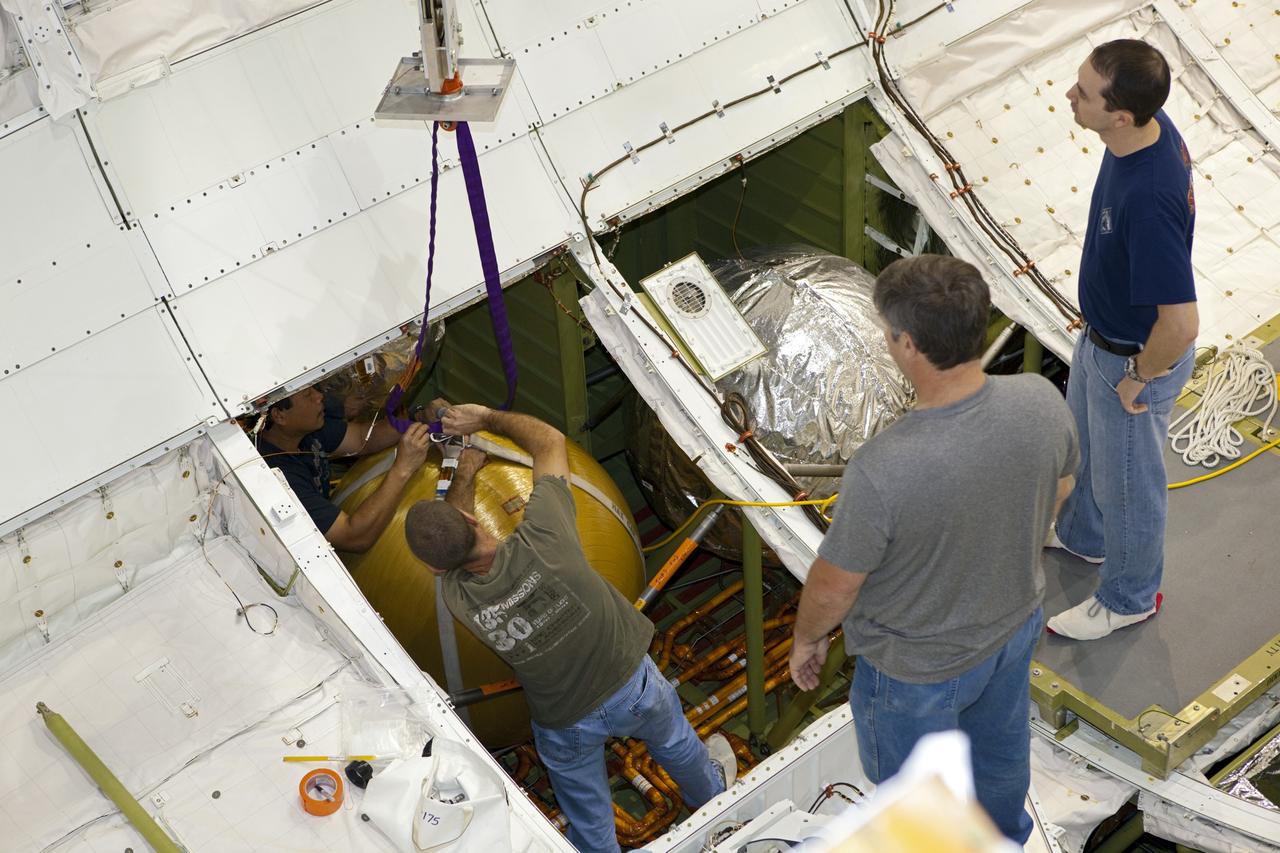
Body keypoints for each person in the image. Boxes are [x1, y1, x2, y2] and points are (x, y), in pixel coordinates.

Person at [788, 255, 1078, 844]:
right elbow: (1063, 487)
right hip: (1012, 629)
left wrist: (807, 638)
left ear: (909, 345)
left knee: (916, 808)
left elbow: (835, 584)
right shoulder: (1041, 399)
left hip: (915, 673)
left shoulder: (882, 468)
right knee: (999, 767)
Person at [403, 401, 734, 853]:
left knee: (590, 818)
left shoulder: (457, 597)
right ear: (470, 519)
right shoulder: (545, 533)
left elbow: (453, 547)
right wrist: (485, 419)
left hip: (565, 721)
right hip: (630, 685)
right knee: (676, 742)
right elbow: (550, 442)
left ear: (433, 568)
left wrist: (461, 475)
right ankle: (716, 803)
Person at [1047, 40, 1199, 640]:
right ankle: (1084, 540)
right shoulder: (1145, 126)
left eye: (1082, 93)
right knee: (1083, 451)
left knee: (1129, 489)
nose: (1069, 96)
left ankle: (1129, 596)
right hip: (1100, 338)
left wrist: (1138, 377)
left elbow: (1182, 324)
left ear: (1120, 116)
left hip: (1132, 360)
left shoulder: (1149, 197)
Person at [255, 386, 432, 552]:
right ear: (279, 416)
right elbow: (354, 537)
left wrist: (419, 417)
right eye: (308, 395)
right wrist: (403, 469)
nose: (319, 396)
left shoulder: (307, 430)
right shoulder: (279, 478)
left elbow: (363, 438)